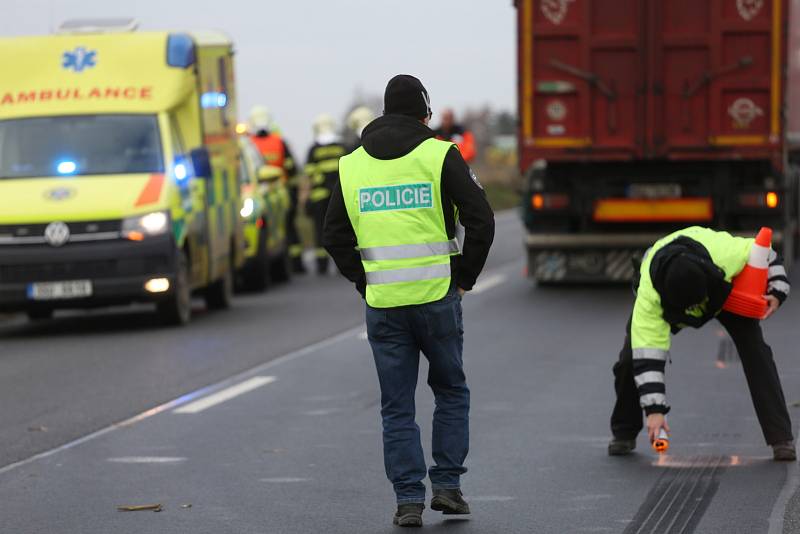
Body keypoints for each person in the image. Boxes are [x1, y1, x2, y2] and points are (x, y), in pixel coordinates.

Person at [323, 75, 495, 527]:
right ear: (424, 114)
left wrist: (365, 281)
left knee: (396, 405)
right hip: (437, 298)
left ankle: (407, 501)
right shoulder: (440, 155)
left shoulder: (351, 166)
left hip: (384, 306)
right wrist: (465, 277)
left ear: (383, 113)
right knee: (451, 391)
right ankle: (448, 488)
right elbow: (481, 219)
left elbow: (333, 236)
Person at [608, 226, 794, 461]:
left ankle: (781, 438)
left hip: (722, 292)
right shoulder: (650, 299)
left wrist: (777, 291)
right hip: (672, 303)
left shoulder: (727, 254)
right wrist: (655, 411)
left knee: (756, 351)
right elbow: (647, 360)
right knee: (629, 359)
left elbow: (768, 253)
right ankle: (624, 431)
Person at [248, 105, 305, 273]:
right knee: (288, 229)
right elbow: (291, 169)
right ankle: (295, 265)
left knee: (282, 231)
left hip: (261, 192)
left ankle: (289, 263)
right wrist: (294, 194)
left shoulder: (250, 143)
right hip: (281, 192)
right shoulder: (279, 142)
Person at [304, 114, 347, 274]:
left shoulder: (313, 149)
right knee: (342, 228)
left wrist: (305, 198)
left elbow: (309, 175)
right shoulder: (342, 146)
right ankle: (341, 263)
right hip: (340, 196)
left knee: (320, 229)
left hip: (319, 196)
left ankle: (322, 264)